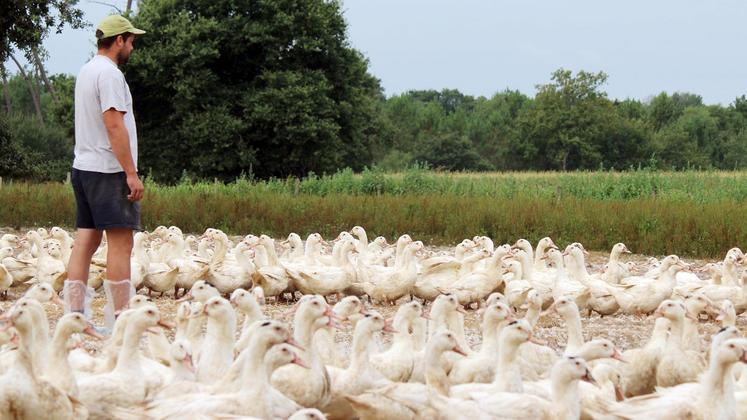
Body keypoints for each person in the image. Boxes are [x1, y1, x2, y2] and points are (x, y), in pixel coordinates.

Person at [65, 15, 146, 331]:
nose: (132, 46)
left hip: (83, 167)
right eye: (131, 40)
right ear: (118, 41)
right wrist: (131, 172)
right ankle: (120, 321)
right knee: (121, 243)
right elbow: (114, 124)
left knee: (85, 240)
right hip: (109, 171)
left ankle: (75, 317)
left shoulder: (86, 70)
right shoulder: (110, 75)